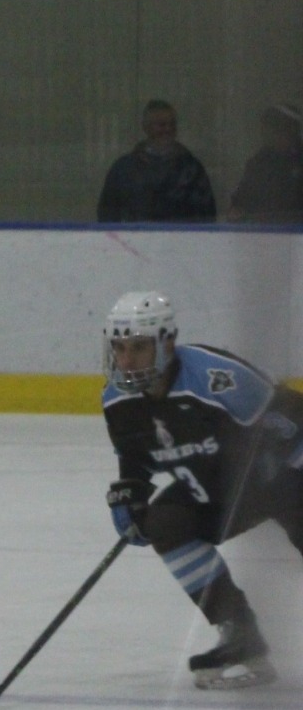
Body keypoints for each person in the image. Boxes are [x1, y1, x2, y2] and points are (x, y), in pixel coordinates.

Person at [101, 290, 303, 689]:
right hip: (216, 489)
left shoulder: (217, 378)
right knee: (165, 523)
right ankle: (240, 635)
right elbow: (138, 458)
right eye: (120, 348)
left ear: (167, 343)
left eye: (139, 348)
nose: (126, 360)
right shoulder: (116, 400)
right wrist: (131, 492)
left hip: (280, 479)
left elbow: (292, 415)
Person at [96, 100, 216, 223]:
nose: (167, 129)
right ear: (145, 127)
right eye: (161, 125)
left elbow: (205, 216)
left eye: (172, 124)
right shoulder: (123, 169)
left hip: (179, 241)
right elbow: (108, 215)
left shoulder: (191, 169)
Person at [226, 103, 303, 224]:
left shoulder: (299, 161)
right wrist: (237, 210)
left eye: (281, 129)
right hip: (262, 235)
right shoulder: (258, 163)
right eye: (270, 129)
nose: (273, 136)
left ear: (292, 131)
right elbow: (239, 203)